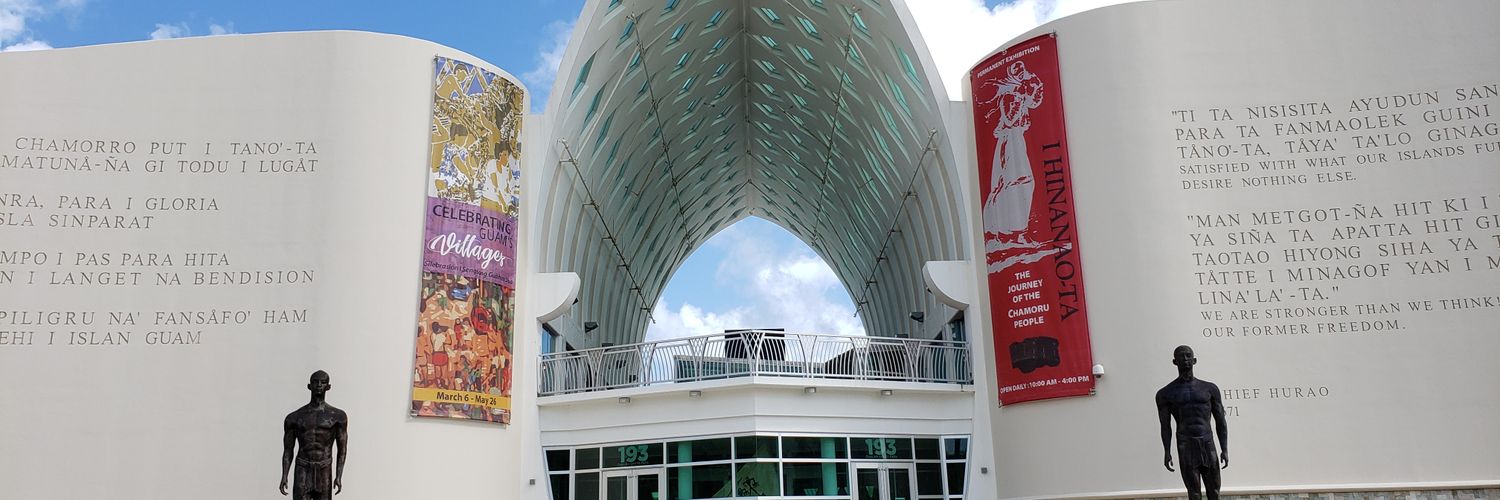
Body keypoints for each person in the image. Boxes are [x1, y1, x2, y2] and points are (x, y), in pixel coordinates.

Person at [1155, 345, 1228, 500]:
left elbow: (1220, 421)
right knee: (1194, 493)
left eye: (1188, 355)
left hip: (1207, 442)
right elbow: (1165, 426)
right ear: (1174, 362)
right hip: (1186, 445)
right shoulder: (1165, 393)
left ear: (1194, 360)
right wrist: (1167, 451)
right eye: (1181, 356)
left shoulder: (1209, 389)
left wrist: (1224, 449)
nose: (1185, 359)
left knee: (1214, 491)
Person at [281, 370, 348, 499]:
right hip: (303, 467)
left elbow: (342, 449)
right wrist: (284, 475)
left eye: (323, 382)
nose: (319, 385)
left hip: (324, 467)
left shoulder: (337, 417)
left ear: (328, 387)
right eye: (315, 382)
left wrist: (339, 476)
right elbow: (288, 450)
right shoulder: (294, 417)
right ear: (309, 386)